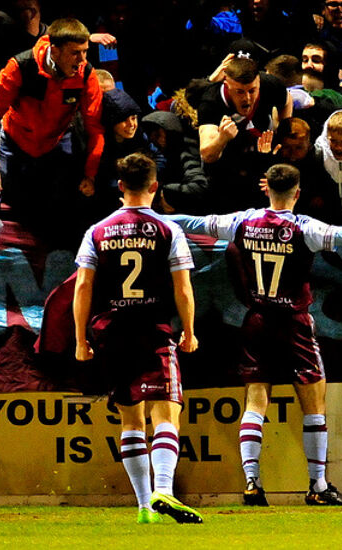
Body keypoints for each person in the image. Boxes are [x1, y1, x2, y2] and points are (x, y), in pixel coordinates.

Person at [170, 163, 342, 506]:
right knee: (314, 405)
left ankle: (251, 484)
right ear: (298, 192)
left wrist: (153, 217)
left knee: (256, 401)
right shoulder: (305, 228)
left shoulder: (241, 222)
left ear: (267, 189)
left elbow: (195, 223)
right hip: (294, 323)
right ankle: (317, 486)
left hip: (257, 319)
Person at [73, 153, 202, 524]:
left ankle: (145, 508)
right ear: (154, 186)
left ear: (119, 186)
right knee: (167, 411)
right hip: (153, 329)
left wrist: (80, 339)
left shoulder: (97, 231)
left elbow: (83, 286)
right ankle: (164, 488)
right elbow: (183, 288)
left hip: (111, 330)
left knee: (130, 419)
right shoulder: (168, 230)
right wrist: (190, 332)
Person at [0, 18, 104, 241]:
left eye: (86, 52)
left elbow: (95, 129)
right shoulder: (20, 67)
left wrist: (90, 174)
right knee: (13, 208)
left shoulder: (86, 74)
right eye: (76, 53)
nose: (82, 60)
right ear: (54, 51)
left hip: (57, 141)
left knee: (59, 210)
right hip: (14, 142)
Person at [197, 55, 292, 212]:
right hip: (226, 168)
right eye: (239, 92)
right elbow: (206, 154)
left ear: (259, 83)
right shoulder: (211, 102)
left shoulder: (270, 84)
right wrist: (222, 138)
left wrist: (283, 131)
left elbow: (287, 99)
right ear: (227, 85)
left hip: (261, 156)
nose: (247, 98)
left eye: (252, 91)